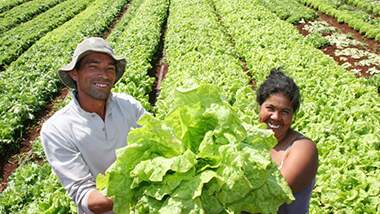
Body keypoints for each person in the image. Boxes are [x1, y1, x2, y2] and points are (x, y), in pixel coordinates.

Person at [40, 37, 146, 214]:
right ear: (75, 73)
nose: (103, 75)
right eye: (93, 67)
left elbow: (160, 143)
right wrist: (144, 189)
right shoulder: (57, 129)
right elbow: (86, 196)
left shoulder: (130, 106)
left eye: (109, 69)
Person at [256, 68, 318, 214]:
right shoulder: (251, 140)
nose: (276, 117)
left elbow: (273, 195)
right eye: (270, 108)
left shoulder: (303, 148)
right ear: (260, 107)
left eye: (285, 112)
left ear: (292, 115)